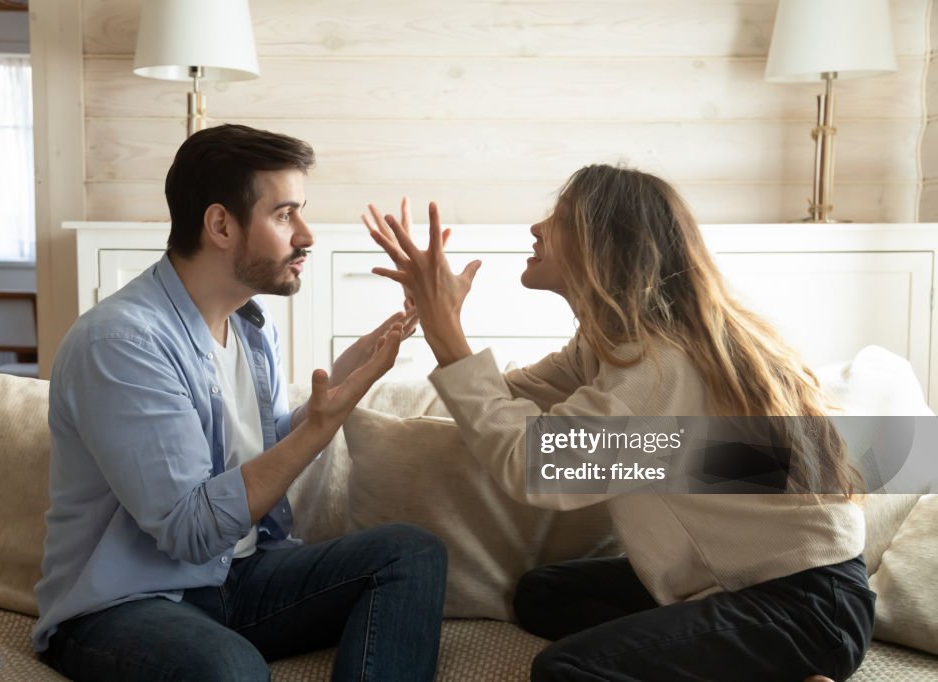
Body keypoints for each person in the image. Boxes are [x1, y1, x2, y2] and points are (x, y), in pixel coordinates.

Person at [362, 165, 874, 682]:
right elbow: (502, 400)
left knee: (567, 671)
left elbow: (534, 465)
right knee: (542, 596)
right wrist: (438, 325)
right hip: (754, 587)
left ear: (604, 246)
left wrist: (448, 333)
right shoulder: (612, 345)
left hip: (804, 608)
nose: (536, 228)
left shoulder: (658, 366)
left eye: (558, 219)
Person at [32, 124, 447, 682]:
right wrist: (317, 431)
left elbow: (272, 450)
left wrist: (360, 371)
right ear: (221, 224)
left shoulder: (252, 327)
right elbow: (189, 532)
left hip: (241, 576)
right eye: (285, 215)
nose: (307, 235)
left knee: (410, 553)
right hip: (128, 603)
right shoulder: (122, 344)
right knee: (230, 669)